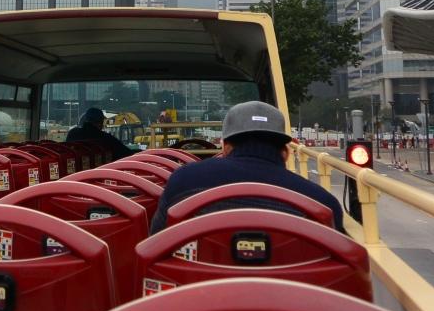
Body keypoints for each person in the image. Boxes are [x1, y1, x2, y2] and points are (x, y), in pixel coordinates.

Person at [148, 100, 345, 235]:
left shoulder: (183, 180)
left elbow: (156, 241)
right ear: (285, 153)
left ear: (225, 148)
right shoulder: (322, 203)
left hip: (196, 285)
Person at [66, 107, 137, 161]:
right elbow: (125, 153)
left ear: (85, 120)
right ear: (101, 122)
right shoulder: (105, 139)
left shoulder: (73, 134)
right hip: (99, 173)